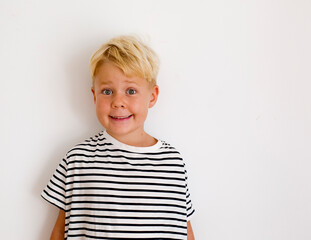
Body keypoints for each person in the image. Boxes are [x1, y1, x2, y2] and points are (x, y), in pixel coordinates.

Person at [41, 35, 195, 239]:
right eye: (107, 91)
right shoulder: (78, 159)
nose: (118, 102)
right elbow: (60, 230)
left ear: (152, 96)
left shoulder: (172, 161)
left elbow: (183, 227)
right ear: (94, 95)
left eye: (131, 91)